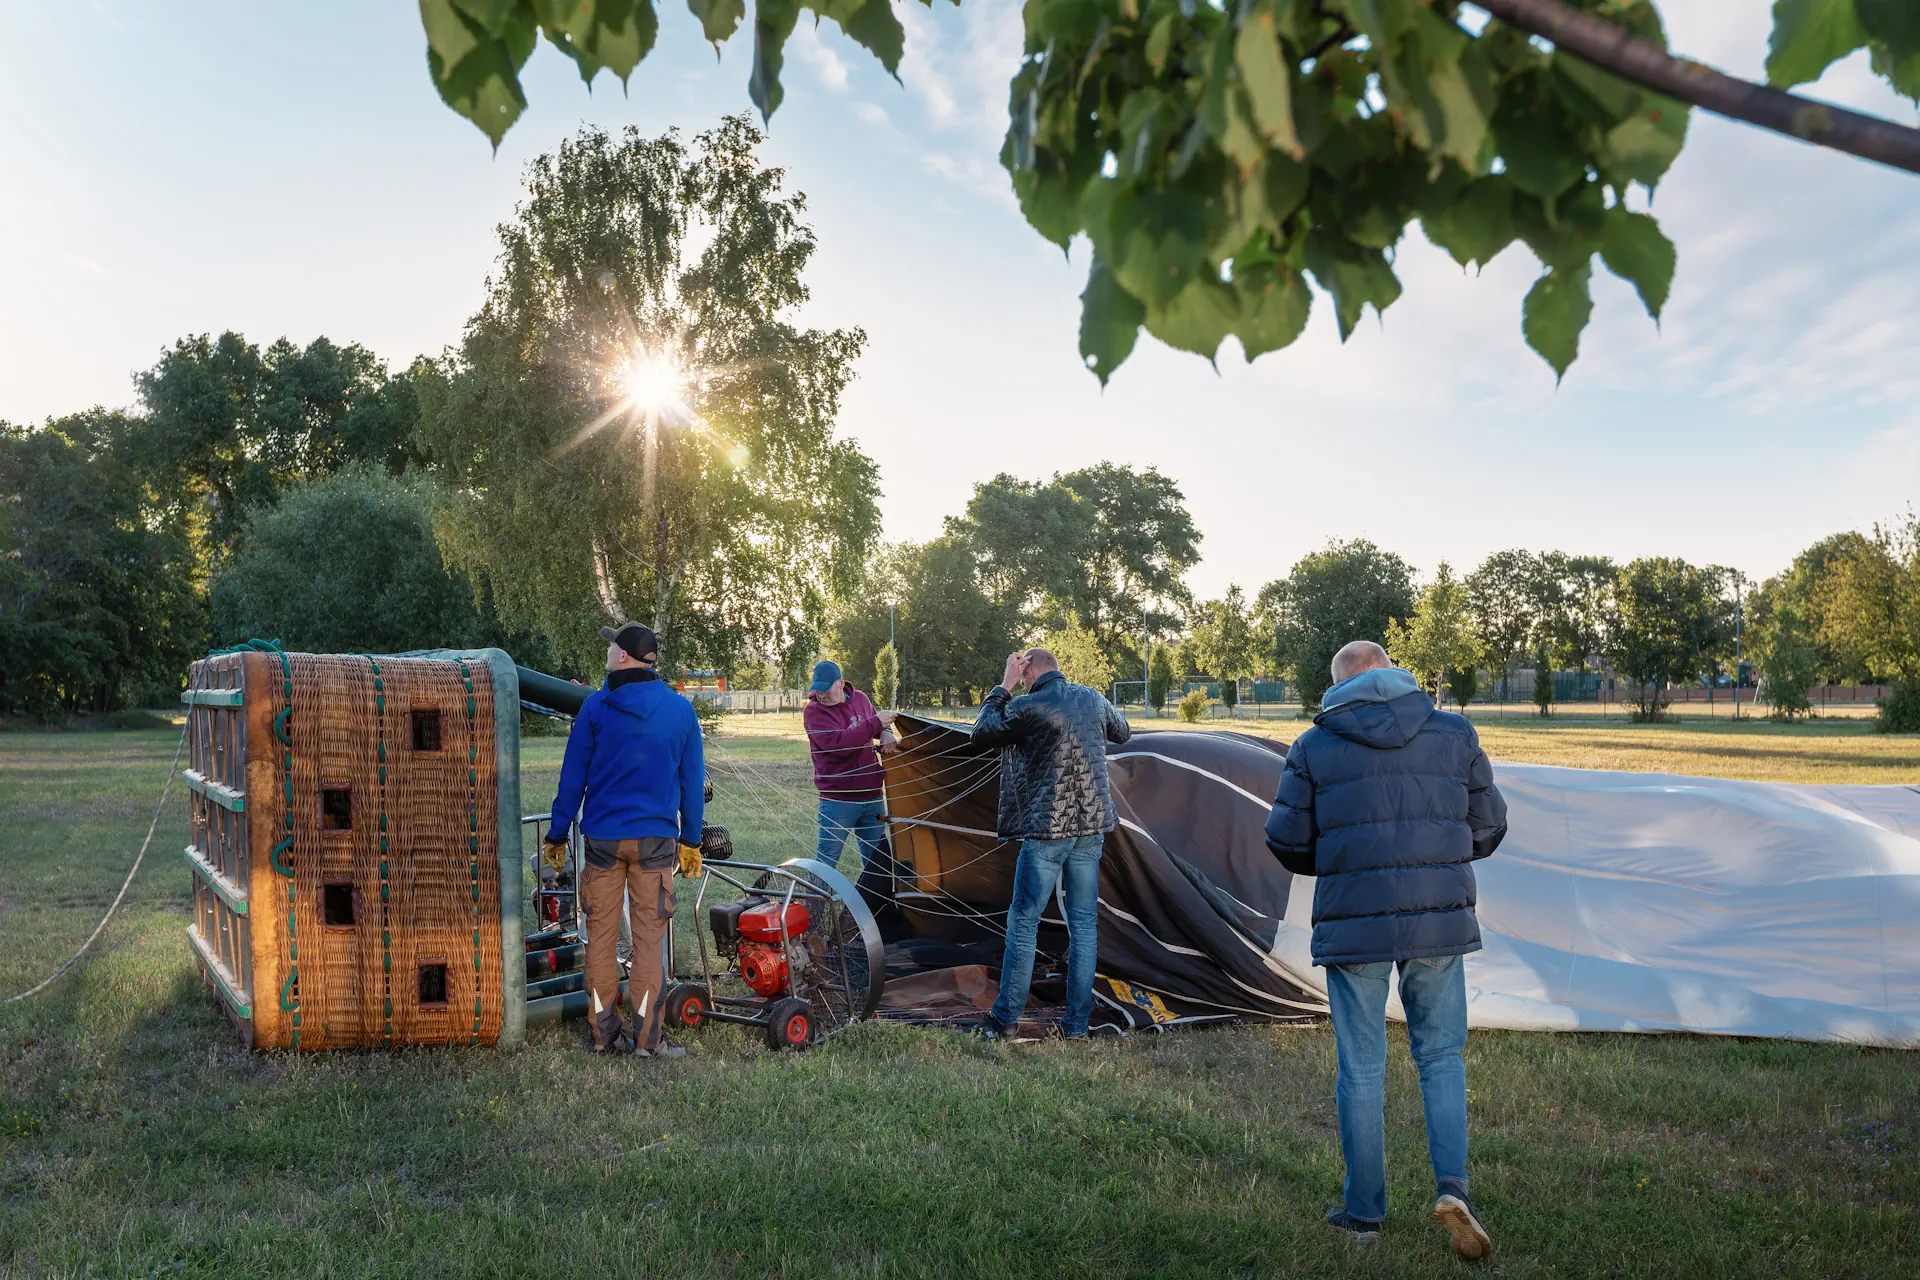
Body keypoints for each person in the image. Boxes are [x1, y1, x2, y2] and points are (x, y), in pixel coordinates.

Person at [1264, 639, 1507, 1260]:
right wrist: (1432, 857)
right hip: (1437, 923)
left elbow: (1287, 840)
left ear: (1339, 683)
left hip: (1355, 923)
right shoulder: (1454, 732)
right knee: (1441, 1058)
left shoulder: (1315, 745)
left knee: (1362, 1066)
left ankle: (1364, 1212)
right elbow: (1489, 826)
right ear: (1394, 673)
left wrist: (1350, 859)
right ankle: (1455, 1190)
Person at [544, 622, 705, 1057]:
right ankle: (647, 1041)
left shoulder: (596, 708)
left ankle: (604, 1036)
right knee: (649, 945)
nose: (608, 651)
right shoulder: (681, 711)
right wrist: (691, 840)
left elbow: (572, 777)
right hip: (656, 841)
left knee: (599, 941)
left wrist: (557, 833)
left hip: (602, 840)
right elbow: (692, 781)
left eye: (611, 646)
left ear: (622, 657)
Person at [970, 647, 1131, 1039]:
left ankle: (1005, 1021)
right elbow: (1122, 732)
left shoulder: (1028, 706)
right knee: (1084, 927)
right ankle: (1075, 1026)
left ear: (1030, 672)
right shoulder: (1091, 697)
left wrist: (1004, 685)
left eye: (1022, 674)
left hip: (1047, 832)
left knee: (1024, 923)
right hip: (1090, 828)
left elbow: (981, 732)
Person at [803, 659, 898, 877]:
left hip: (872, 797)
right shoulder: (814, 713)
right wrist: (877, 724)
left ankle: (878, 909)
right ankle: (814, 910)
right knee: (825, 865)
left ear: (841, 683)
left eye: (826, 689)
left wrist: (886, 732)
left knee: (878, 865)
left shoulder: (861, 699)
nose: (822, 695)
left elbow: (876, 725)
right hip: (838, 801)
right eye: (817, 690)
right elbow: (840, 745)